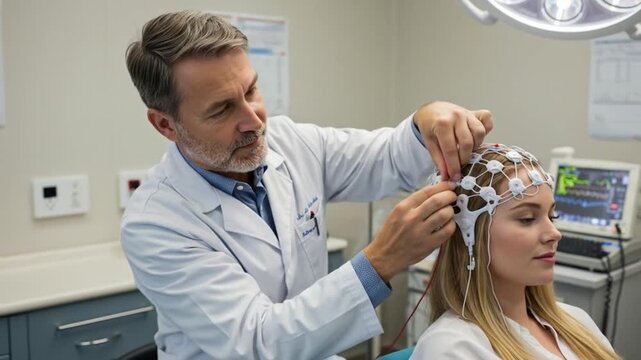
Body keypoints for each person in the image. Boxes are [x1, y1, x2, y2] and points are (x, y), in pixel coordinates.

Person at [122, 10, 493, 360]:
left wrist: (426, 120)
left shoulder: (289, 142)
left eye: (251, 91)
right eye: (222, 109)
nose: (253, 120)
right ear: (165, 125)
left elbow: (388, 157)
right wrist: (383, 259)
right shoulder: (156, 223)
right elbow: (257, 342)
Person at [411, 144, 620, 360]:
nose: (554, 233)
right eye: (527, 219)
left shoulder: (576, 321)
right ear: (470, 234)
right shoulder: (453, 348)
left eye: (552, 216)